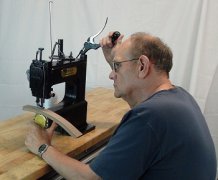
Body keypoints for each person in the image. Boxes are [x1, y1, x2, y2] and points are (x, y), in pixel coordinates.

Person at [25, 32, 217, 180]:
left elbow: (91, 178)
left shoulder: (149, 117)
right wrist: (115, 61)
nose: (111, 74)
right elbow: (138, 99)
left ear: (142, 66)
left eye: (117, 67)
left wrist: (43, 147)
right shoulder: (180, 98)